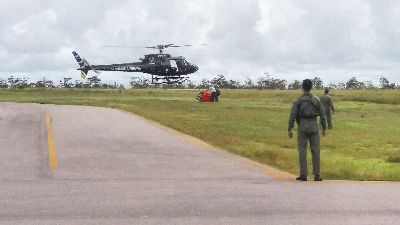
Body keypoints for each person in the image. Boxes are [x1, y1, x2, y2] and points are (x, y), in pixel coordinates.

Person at [288, 79, 327, 181]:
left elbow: (292, 115)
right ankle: (317, 175)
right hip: (314, 126)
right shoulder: (316, 100)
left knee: (302, 150)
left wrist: (290, 128)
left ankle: (303, 174)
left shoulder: (298, 101)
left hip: (302, 127)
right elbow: (323, 115)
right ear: (311, 87)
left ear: (302, 87)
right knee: (316, 151)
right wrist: (324, 128)